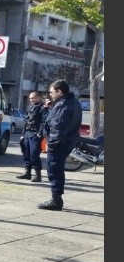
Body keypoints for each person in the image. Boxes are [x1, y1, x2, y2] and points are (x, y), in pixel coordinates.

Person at [38, 79, 82, 211]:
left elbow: (58, 125)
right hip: (67, 141)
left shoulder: (63, 105)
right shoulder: (73, 102)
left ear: (59, 91)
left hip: (59, 143)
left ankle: (56, 200)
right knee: (57, 168)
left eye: (52, 92)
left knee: (54, 169)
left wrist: (51, 143)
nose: (50, 94)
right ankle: (56, 198)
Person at [15, 91, 47, 182]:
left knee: (34, 155)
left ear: (39, 97)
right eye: (30, 98)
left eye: (33, 98)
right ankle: (27, 173)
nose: (31, 100)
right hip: (27, 134)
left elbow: (44, 122)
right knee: (26, 153)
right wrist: (22, 134)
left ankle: (38, 175)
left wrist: (39, 134)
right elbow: (26, 121)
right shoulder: (31, 107)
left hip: (35, 134)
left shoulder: (43, 108)